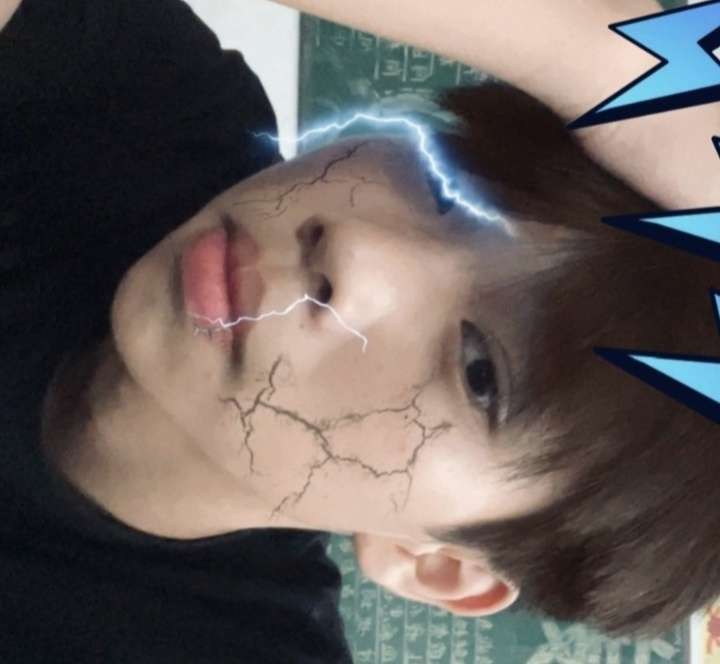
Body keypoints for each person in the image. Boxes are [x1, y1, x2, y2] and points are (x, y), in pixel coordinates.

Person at [1, 0, 718, 662]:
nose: (359, 254)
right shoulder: (150, 112)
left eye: (481, 375)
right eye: (450, 184)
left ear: (442, 566)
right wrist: (606, 58)